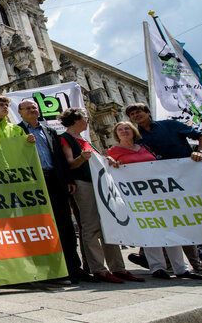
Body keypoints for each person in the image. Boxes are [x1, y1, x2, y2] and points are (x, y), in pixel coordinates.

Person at [125, 103, 202, 276]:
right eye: (132, 114)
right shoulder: (136, 137)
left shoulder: (170, 125)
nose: (136, 116)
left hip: (187, 180)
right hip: (162, 188)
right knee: (172, 224)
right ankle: (179, 266)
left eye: (139, 112)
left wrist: (201, 152)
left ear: (148, 113)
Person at [105, 121, 202, 280]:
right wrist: (111, 162)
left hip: (159, 194)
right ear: (116, 135)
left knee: (171, 228)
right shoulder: (113, 151)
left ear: (133, 132)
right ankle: (157, 267)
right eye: (120, 130)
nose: (124, 131)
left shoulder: (145, 147)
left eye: (127, 129)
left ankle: (181, 268)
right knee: (149, 229)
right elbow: (109, 167)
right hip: (138, 197)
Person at [59, 107, 144, 283]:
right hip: (83, 183)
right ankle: (98, 268)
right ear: (76, 120)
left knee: (109, 223)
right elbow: (70, 164)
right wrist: (82, 157)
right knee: (90, 225)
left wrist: (108, 160)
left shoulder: (84, 139)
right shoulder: (65, 138)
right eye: (84, 118)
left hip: (101, 185)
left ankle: (118, 267)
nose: (87, 121)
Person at [18, 100, 88, 283]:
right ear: (20, 112)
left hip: (55, 181)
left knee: (64, 224)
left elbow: (60, 158)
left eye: (34, 108)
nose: (33, 110)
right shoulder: (17, 131)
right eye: (28, 108)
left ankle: (73, 267)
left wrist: (68, 180)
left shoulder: (49, 131)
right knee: (40, 226)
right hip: (34, 183)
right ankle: (47, 270)